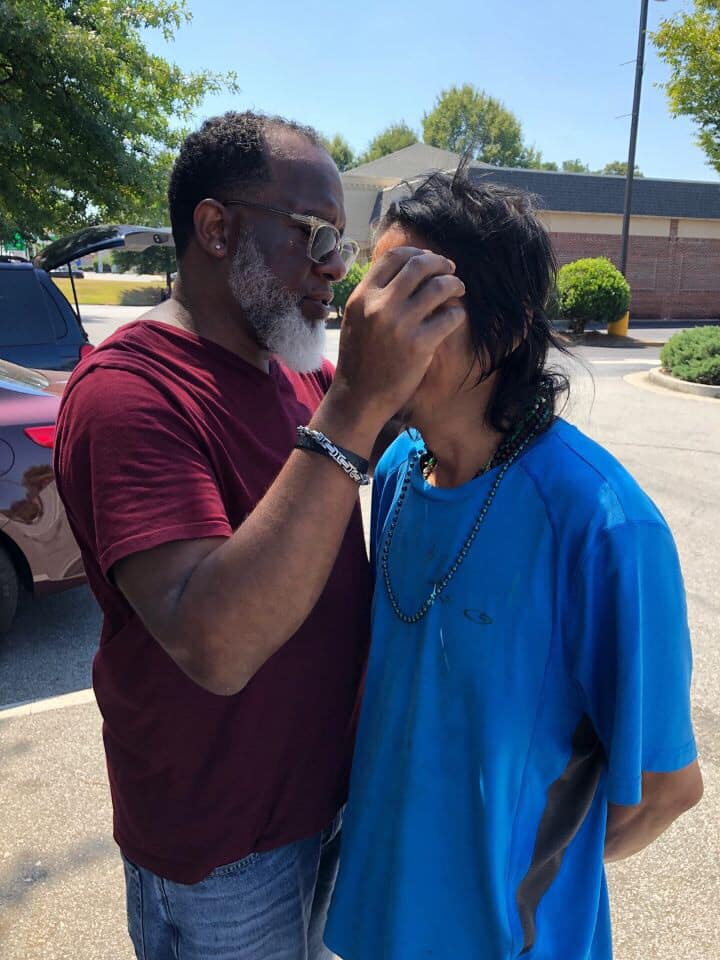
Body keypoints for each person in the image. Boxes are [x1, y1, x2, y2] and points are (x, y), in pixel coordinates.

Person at [53, 111, 466, 960]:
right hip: (222, 851)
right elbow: (218, 644)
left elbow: (440, 447)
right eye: (314, 234)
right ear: (215, 228)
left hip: (327, 804)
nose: (335, 269)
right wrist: (352, 407)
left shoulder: (297, 366)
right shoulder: (129, 393)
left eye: (343, 245)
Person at [324, 170, 703, 960]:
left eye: (412, 297)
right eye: (371, 291)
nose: (370, 321)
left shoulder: (605, 524)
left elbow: (668, 789)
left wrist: (514, 869)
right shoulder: (394, 467)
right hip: (372, 917)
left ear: (508, 324)